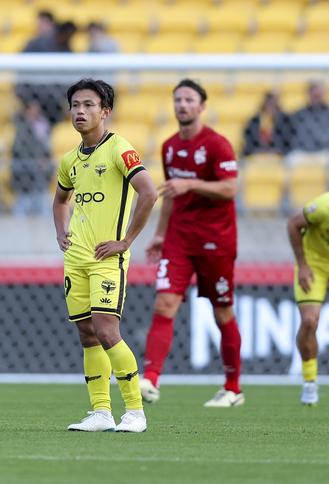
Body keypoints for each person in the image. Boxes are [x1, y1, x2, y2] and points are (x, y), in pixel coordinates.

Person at [53, 79, 157, 433]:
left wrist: (126, 240)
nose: (80, 111)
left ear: (105, 111)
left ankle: (135, 412)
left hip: (107, 258)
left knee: (106, 329)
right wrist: (60, 231)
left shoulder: (119, 149)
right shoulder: (70, 159)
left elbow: (149, 193)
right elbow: (60, 200)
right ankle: (100, 412)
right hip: (76, 259)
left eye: (88, 105)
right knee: (86, 333)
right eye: (75, 105)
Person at [140, 79, 244, 407]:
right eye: (178, 100)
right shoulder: (169, 146)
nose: (182, 105)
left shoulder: (217, 145)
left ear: (201, 107)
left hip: (215, 240)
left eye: (189, 100)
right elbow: (171, 194)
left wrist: (192, 184)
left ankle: (232, 387)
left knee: (222, 312)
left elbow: (230, 189)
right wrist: (159, 234)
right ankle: (151, 380)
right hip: (179, 239)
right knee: (164, 304)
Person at [287, 192, 329, 406]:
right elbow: (293, 225)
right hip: (315, 265)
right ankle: (310, 382)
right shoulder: (323, 206)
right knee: (309, 321)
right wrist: (303, 264)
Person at [11, 99, 52, 215]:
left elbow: (46, 146)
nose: (35, 112)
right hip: (25, 172)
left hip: (40, 174)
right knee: (24, 202)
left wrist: (44, 158)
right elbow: (20, 149)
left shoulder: (42, 124)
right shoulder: (21, 127)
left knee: (43, 203)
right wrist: (37, 159)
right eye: (32, 110)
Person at [287, 80, 329, 162]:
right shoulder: (300, 114)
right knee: (289, 161)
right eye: (314, 95)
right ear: (309, 95)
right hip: (302, 152)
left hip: (324, 151)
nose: (316, 98)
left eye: (318, 95)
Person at [242, 91, 291, 156]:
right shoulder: (254, 121)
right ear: (264, 104)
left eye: (275, 104)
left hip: (278, 155)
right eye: (270, 104)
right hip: (257, 154)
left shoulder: (285, 121)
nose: (272, 107)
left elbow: (287, 141)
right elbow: (249, 140)